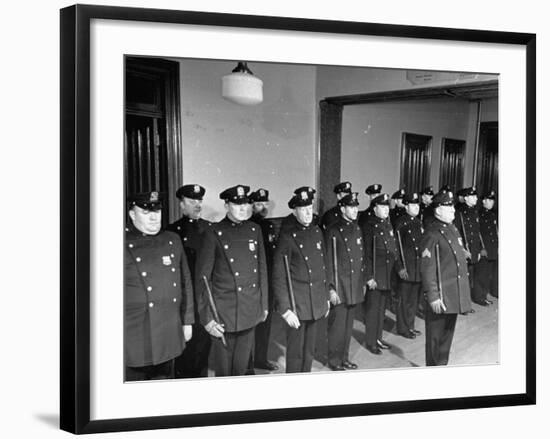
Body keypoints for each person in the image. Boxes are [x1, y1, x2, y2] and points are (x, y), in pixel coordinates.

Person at [195, 185, 268, 376]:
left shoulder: (255, 230)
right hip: (223, 313)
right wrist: (208, 318)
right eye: (237, 204)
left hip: (249, 309)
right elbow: (203, 279)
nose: (243, 208)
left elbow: (262, 272)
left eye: (246, 203)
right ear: (227, 205)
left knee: (242, 368)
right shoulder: (214, 233)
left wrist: (264, 305)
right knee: (224, 371)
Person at [125, 191, 194, 381]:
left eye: (157, 210)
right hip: (134, 334)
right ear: (132, 214)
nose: (154, 217)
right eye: (146, 212)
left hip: (168, 330)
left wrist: (187, 321)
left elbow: (185, 281)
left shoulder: (172, 239)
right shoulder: (119, 242)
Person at [272, 188, 330, 373]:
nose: (307, 213)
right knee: (295, 352)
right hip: (298, 305)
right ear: (295, 211)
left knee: (309, 350)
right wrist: (286, 309)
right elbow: (279, 277)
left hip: (316, 302)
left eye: (309, 207)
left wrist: (326, 296)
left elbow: (323, 267)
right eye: (303, 209)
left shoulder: (317, 232)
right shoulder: (288, 238)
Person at [420, 190, 472, 366]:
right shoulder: (432, 233)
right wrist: (433, 296)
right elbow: (427, 268)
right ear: (438, 210)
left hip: (452, 294)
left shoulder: (452, 229)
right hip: (440, 297)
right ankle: (433, 372)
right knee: (435, 340)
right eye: (448, 208)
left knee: (446, 339)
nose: (453, 211)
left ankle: (442, 369)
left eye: (452, 208)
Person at [166, 184, 212, 378]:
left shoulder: (210, 229)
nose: (197, 205)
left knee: (204, 343)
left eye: (199, 201)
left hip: (205, 295)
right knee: (186, 345)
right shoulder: (172, 231)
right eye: (192, 201)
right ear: (182, 204)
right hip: (185, 296)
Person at [324, 192, 365, 370]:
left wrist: (361, 283)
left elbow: (361, 259)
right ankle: (334, 360)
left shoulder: (357, 228)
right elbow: (328, 262)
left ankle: (345, 357)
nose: (355, 210)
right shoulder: (333, 230)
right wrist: (330, 289)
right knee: (337, 328)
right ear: (342, 208)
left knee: (348, 327)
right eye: (351, 207)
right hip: (339, 287)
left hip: (353, 286)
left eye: (356, 207)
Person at [361, 193, 397, 355]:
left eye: (387, 206)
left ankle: (378, 338)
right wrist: (368, 276)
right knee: (373, 310)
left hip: (386, 275)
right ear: (375, 208)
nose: (386, 210)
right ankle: (370, 341)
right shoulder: (370, 226)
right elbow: (366, 254)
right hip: (375, 275)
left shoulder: (388, 224)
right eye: (382, 207)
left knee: (381, 310)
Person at [247, 188, 279, 371]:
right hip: (254, 282)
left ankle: (261, 358)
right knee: (251, 324)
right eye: (259, 204)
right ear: (251, 205)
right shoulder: (249, 226)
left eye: (265, 203)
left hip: (268, 281)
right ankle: (248, 362)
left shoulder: (268, 226)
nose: (263, 207)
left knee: (266, 324)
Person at [394, 192, 424, 339]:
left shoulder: (419, 222)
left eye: (417, 204)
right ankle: (403, 328)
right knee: (405, 300)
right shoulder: (401, 223)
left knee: (414, 301)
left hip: (418, 268)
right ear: (406, 206)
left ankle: (410, 326)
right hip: (407, 268)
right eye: (413, 204)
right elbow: (396, 248)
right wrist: (400, 267)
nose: (416, 207)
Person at [454, 186, 490, 307]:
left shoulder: (475, 211)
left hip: (475, 248)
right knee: (465, 279)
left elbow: (478, 232)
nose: (476, 198)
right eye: (473, 196)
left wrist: (481, 248)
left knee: (480, 275)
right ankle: (463, 305)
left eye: (476, 196)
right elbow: (457, 233)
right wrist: (463, 250)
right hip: (465, 249)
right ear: (466, 198)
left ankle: (479, 297)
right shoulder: (459, 212)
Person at [479, 190, 498, 299]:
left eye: (492, 200)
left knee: (489, 274)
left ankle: (484, 295)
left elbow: (495, 232)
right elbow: (477, 233)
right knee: (482, 275)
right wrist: (481, 248)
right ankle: (480, 297)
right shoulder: (479, 214)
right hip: (484, 249)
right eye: (489, 200)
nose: (491, 202)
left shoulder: (492, 214)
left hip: (492, 248)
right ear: (484, 201)